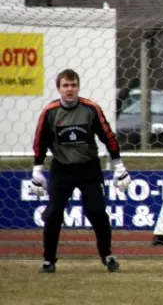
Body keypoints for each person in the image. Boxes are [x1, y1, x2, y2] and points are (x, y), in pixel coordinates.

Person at [29, 69, 132, 273]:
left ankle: (107, 255)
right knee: (53, 214)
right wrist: (37, 171)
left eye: (73, 85)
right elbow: (40, 141)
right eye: (65, 85)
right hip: (61, 169)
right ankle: (49, 260)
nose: (70, 89)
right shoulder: (49, 112)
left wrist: (119, 166)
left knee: (97, 212)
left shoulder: (90, 109)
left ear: (78, 87)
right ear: (58, 88)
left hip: (89, 168)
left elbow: (108, 137)